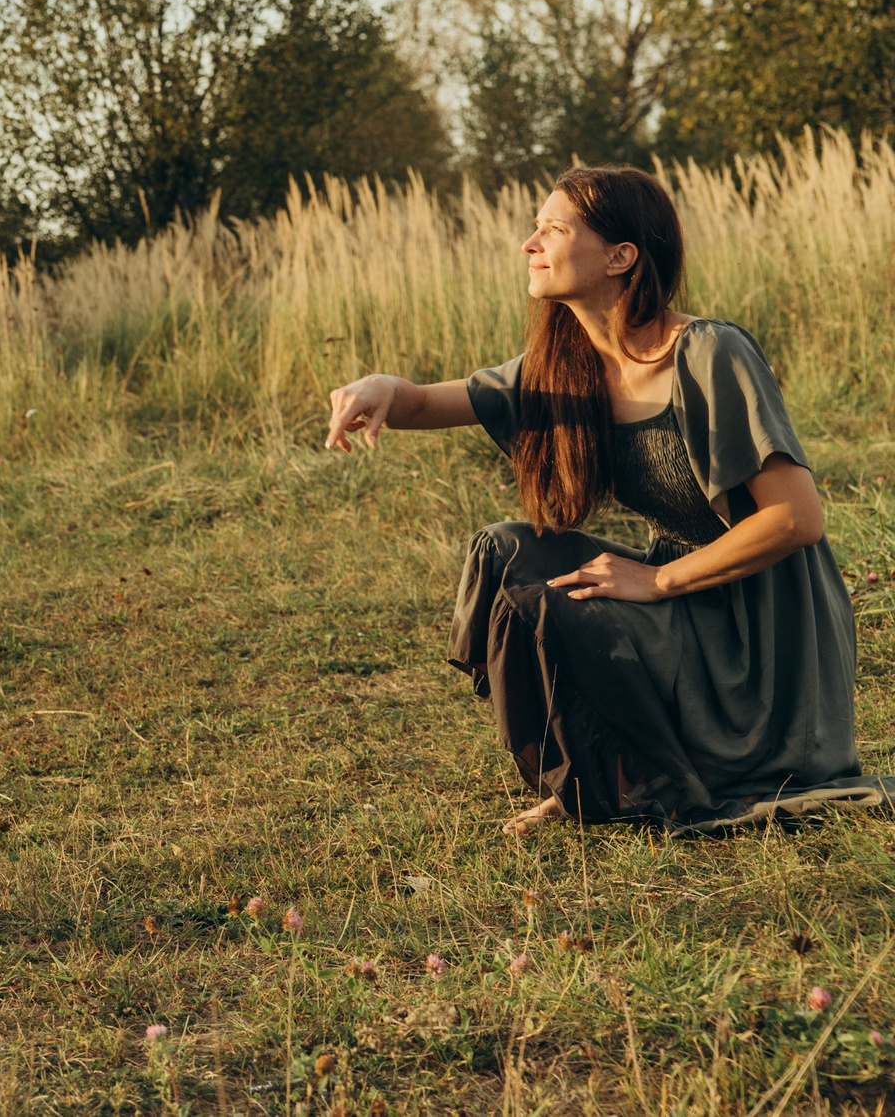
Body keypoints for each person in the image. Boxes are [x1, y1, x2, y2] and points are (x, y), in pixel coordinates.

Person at [324, 166, 887, 833]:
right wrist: (382, 386)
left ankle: (644, 776)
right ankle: (590, 778)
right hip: (685, 602)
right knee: (507, 552)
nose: (529, 243)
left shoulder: (709, 353)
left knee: (556, 603)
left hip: (764, 632)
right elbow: (426, 400)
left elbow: (797, 519)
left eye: (554, 229)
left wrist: (656, 578)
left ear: (620, 256)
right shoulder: (570, 363)